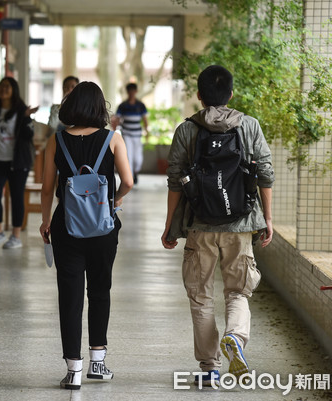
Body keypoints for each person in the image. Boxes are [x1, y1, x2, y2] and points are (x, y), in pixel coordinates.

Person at [161, 65, 274, 387]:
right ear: (231, 95)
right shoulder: (249, 126)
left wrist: (171, 225)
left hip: (200, 224)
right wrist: (267, 219)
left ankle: (209, 367)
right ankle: (235, 337)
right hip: (241, 226)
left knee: (201, 297)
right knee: (238, 291)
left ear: (199, 95)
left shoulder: (187, 130)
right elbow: (265, 174)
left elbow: (175, 182)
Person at [39, 81, 133, 390]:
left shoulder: (57, 140)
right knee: (100, 290)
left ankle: (73, 370)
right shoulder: (113, 139)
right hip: (103, 228)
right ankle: (97, 362)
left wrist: (45, 221)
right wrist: (114, 200)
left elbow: (47, 186)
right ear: (99, 107)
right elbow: (128, 181)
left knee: (70, 296)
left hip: (66, 225)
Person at [0, 77, 37, 249]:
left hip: (18, 162)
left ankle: (15, 236)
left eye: (7, 87)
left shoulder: (22, 110)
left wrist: (27, 118)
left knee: (16, 197)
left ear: (14, 90)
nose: (3, 89)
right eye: (1, 86)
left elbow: (29, 136)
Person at [114, 82, 149, 184]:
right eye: (130, 91)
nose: (131, 93)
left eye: (133, 91)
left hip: (137, 135)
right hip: (126, 134)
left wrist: (147, 132)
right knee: (129, 155)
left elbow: (145, 119)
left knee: (137, 158)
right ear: (127, 92)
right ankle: (131, 177)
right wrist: (114, 131)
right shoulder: (123, 106)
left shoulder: (140, 105)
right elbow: (117, 118)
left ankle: (136, 171)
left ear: (136, 92)